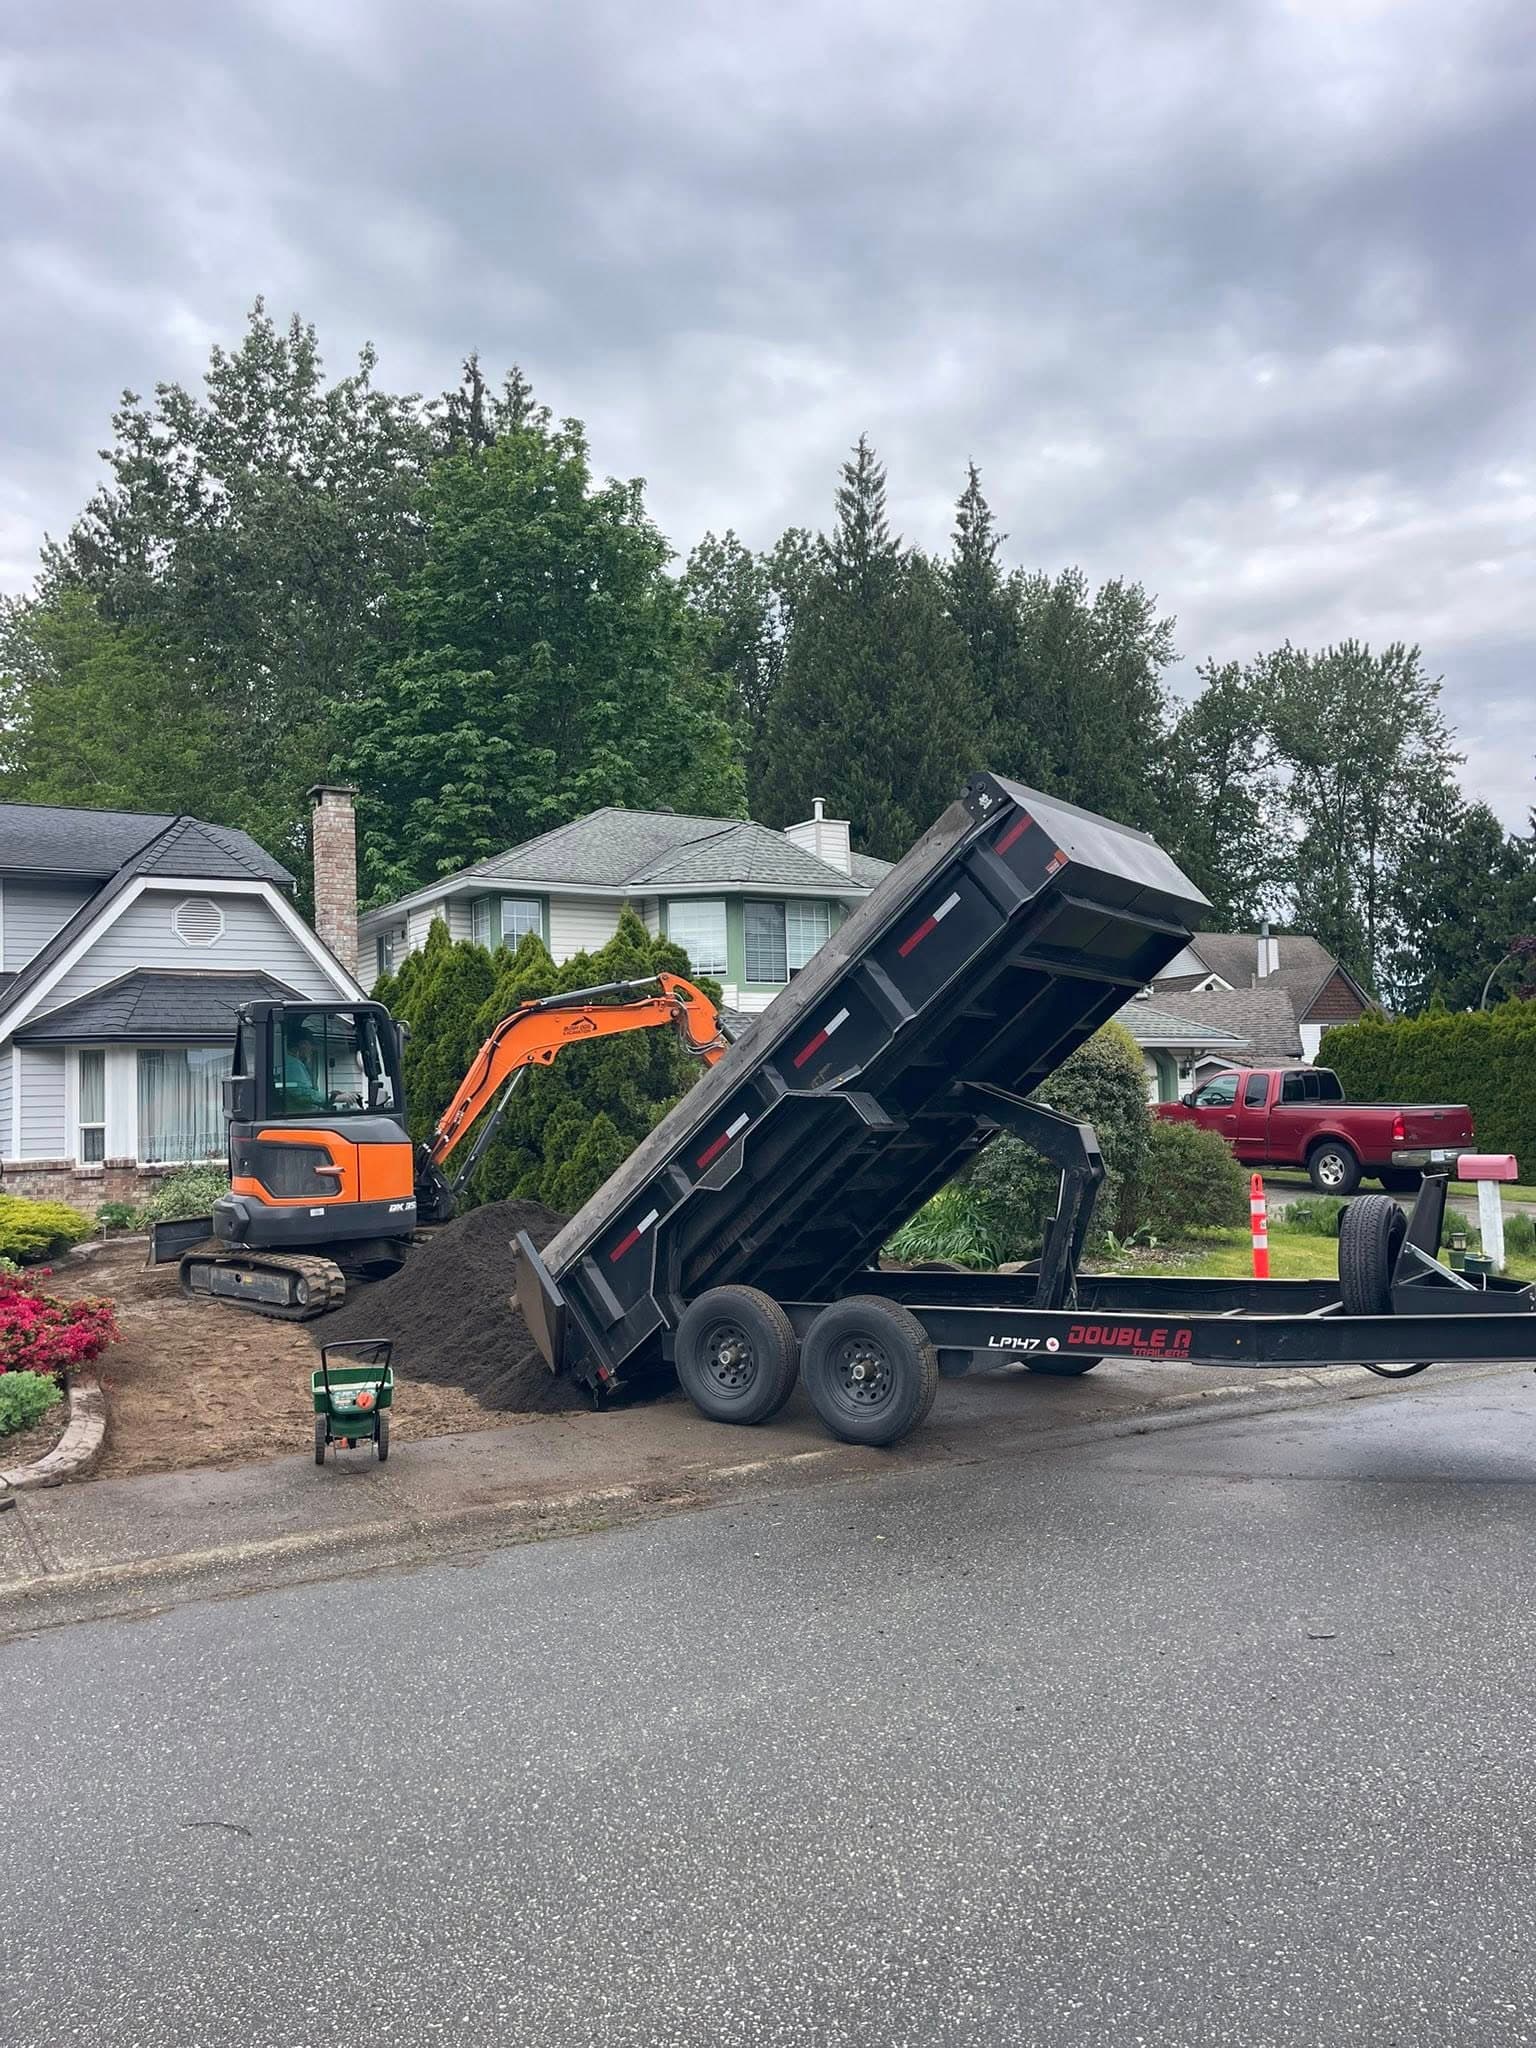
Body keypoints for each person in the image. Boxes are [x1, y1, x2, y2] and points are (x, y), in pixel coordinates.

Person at [280, 1021, 328, 1112]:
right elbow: (303, 1095)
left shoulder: (287, 1062)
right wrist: (332, 1097)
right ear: (303, 1044)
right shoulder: (293, 1065)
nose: (312, 1050)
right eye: (311, 1046)